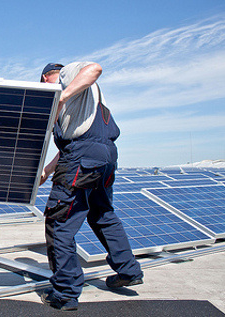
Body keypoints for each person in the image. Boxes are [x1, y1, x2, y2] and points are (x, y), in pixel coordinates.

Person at [38, 62, 143, 311]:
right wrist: (47, 170)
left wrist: (61, 97)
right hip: (103, 158)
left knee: (59, 223)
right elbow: (68, 146)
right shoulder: (84, 102)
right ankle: (128, 270)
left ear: (45, 78)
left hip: (82, 160)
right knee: (102, 214)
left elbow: (94, 68)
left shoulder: (67, 77)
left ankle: (65, 293)